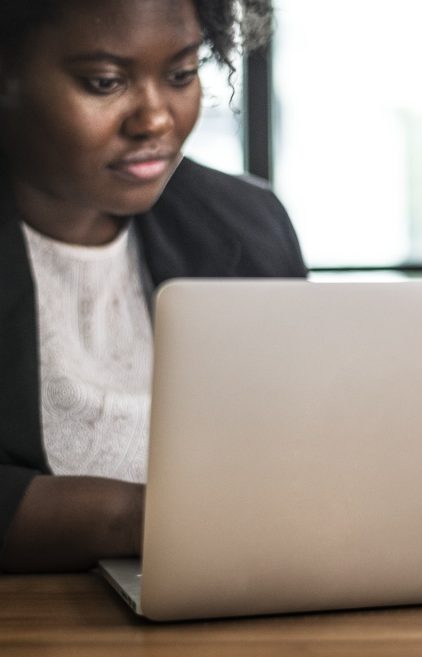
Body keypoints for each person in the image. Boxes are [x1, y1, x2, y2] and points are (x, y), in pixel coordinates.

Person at [0, 0, 307, 573]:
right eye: (105, 82)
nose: (156, 119)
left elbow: (303, 444)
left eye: (181, 75)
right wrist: (147, 517)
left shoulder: (247, 224)